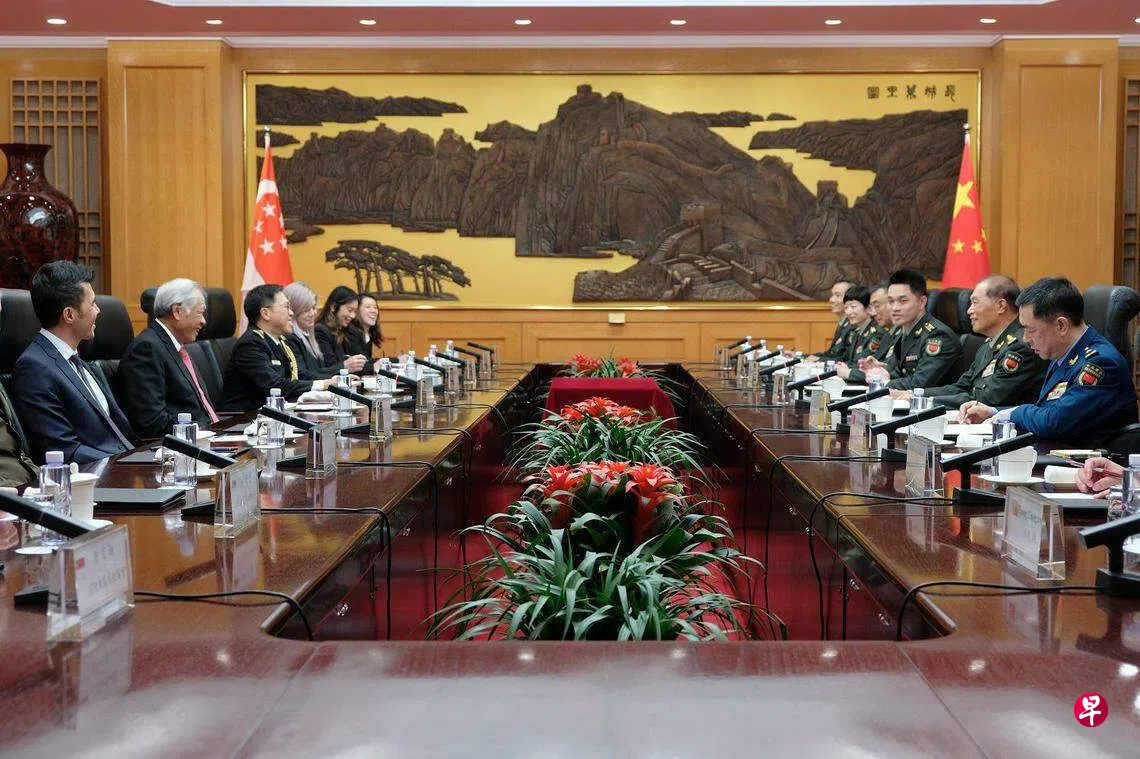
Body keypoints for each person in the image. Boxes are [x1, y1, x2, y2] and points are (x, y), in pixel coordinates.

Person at [960, 277, 1138, 444]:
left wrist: (1011, 414)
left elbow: (1055, 421)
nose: (1025, 339)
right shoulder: (1063, 354)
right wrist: (993, 412)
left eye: (1030, 330)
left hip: (1086, 461)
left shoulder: (1100, 364)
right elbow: (1044, 409)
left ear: (1061, 325)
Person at [11, 261, 138, 463]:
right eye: (92, 303)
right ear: (69, 314)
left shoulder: (75, 358)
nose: (98, 310)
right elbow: (64, 451)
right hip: (100, 475)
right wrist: (126, 463)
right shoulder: (34, 369)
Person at [892, 275, 1046, 410]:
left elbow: (986, 399)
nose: (969, 311)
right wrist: (914, 395)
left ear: (1000, 306)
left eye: (975, 302)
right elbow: (962, 386)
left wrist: (924, 401)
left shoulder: (1019, 347)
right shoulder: (989, 343)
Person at [116, 278, 218, 438]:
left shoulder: (176, 345)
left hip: (206, 437)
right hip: (181, 445)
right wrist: (203, 432)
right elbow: (152, 422)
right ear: (177, 312)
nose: (203, 321)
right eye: (200, 313)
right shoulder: (146, 349)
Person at [220, 285, 341, 412]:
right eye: (286, 307)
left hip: (275, 413)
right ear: (265, 313)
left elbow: (300, 376)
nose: (291, 313)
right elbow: (275, 385)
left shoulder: (280, 341)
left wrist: (333, 381)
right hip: (244, 418)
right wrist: (323, 384)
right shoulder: (251, 344)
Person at [853, 269, 961, 390]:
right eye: (890, 301)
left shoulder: (938, 336)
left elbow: (920, 383)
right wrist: (881, 371)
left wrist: (886, 382)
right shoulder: (904, 332)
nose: (895, 308)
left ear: (922, 302)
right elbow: (901, 373)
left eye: (903, 301)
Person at [283, 282, 338, 379]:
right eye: (306, 310)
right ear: (292, 311)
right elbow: (303, 375)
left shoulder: (309, 335)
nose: (312, 313)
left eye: (313, 307)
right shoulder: (290, 339)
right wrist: (341, 371)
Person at [315, 286, 366, 373]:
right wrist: (346, 365)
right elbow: (330, 367)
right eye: (350, 310)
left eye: (355, 312)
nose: (353, 316)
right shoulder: (320, 330)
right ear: (334, 307)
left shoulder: (344, 329)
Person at [808, 280, 853, 362]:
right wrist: (801, 356)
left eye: (838, 295)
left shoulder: (853, 326)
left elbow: (847, 359)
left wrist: (819, 360)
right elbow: (831, 354)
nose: (831, 300)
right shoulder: (843, 323)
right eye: (832, 295)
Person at [347, 292, 384, 360]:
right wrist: (397, 359)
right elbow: (363, 361)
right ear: (357, 311)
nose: (373, 311)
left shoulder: (369, 333)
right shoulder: (351, 332)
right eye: (368, 307)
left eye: (375, 307)